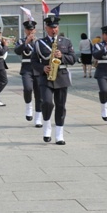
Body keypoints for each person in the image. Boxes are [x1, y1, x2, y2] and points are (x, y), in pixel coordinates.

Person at [32, 16, 76, 145]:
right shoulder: (40, 43)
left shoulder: (66, 42)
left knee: (61, 106)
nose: (53, 30)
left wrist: (62, 56)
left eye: (55, 27)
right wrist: (42, 68)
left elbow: (73, 59)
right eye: (51, 27)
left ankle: (59, 135)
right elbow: (33, 61)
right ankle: (46, 127)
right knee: (46, 103)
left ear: (58, 28)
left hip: (61, 76)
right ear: (46, 28)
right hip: (46, 77)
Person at [14, 19, 42, 126]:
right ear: (25, 30)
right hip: (26, 69)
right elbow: (17, 51)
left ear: (34, 30)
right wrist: (26, 42)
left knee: (39, 94)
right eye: (28, 29)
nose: (30, 31)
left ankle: (38, 118)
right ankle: (28, 106)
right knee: (28, 88)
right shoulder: (21, 41)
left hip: (38, 69)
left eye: (32, 29)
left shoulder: (39, 41)